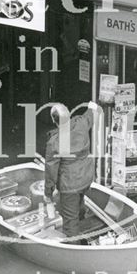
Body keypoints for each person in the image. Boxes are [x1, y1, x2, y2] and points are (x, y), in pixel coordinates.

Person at [43, 101, 98, 239]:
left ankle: (76, 250)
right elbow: (91, 113)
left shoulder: (54, 142)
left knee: (70, 222)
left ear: (53, 120)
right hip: (86, 177)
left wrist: (48, 193)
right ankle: (82, 224)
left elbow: (51, 171)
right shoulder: (81, 123)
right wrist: (92, 106)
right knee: (79, 204)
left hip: (70, 185)